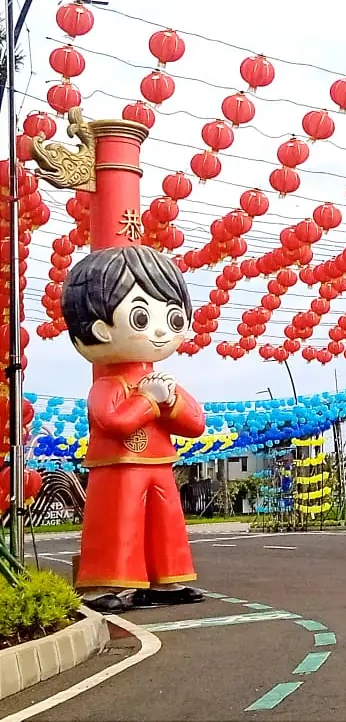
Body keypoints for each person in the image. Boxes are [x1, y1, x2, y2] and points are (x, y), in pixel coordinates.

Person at [62, 245, 205, 612]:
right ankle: (105, 582)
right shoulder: (107, 385)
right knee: (118, 524)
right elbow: (114, 422)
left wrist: (169, 401)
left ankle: (168, 578)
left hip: (158, 463)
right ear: (98, 328)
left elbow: (195, 423)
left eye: (172, 319)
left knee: (167, 522)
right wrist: (149, 401)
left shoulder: (156, 377)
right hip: (118, 467)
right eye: (141, 318)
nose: (159, 332)